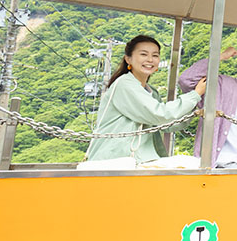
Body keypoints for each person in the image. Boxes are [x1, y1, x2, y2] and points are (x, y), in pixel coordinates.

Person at [85, 35, 206, 165]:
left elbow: (167, 125)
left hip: (137, 161)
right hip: (114, 161)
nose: (150, 60)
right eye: (143, 54)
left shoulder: (151, 91)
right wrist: (195, 95)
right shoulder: (124, 84)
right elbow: (160, 115)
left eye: (155, 55)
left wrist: (194, 107)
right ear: (128, 59)